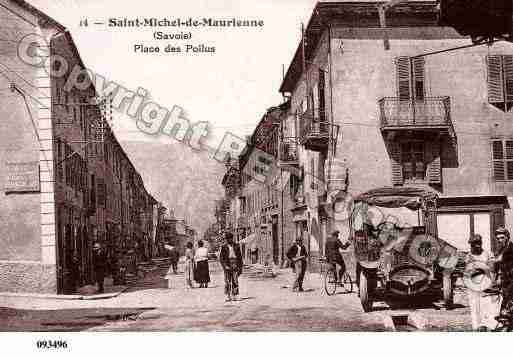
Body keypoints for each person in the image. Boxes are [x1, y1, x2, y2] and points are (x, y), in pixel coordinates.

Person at [464, 234, 496, 331]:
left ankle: (486, 328)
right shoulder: (469, 256)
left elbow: (492, 268)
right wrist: (482, 267)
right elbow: (468, 271)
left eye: (478, 243)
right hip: (473, 285)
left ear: (481, 243)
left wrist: (478, 267)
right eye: (473, 244)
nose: (476, 246)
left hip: (486, 284)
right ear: (471, 245)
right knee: (474, 308)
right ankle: (477, 329)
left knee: (486, 308)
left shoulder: (487, 254)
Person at [494, 226, 513, 317]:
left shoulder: (511, 248)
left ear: (507, 237)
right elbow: (498, 265)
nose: (500, 240)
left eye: (502, 237)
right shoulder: (500, 250)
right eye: (498, 238)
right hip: (505, 280)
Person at [219, 233, 243, 301]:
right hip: (227, 263)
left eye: (230, 238)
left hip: (235, 263)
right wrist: (224, 266)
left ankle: (235, 295)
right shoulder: (224, 247)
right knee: (227, 280)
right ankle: (228, 295)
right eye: (228, 239)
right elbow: (221, 258)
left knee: (235, 280)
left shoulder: (236, 246)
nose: (229, 240)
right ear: (226, 239)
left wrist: (240, 267)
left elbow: (240, 257)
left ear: (232, 238)